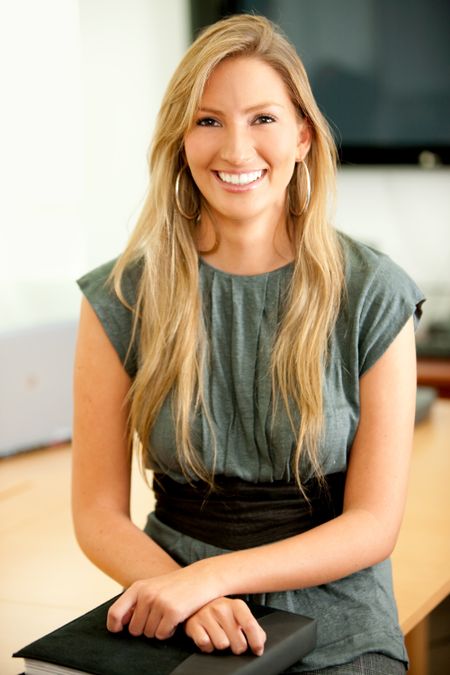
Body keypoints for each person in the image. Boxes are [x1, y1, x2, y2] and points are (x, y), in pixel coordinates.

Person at [72, 14, 424, 674]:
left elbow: (375, 522)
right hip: (170, 608)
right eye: (208, 121)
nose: (236, 149)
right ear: (180, 140)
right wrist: (184, 591)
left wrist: (211, 577)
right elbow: (96, 512)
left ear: (303, 136)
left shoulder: (375, 293)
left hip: (337, 617)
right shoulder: (118, 298)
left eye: (262, 118)